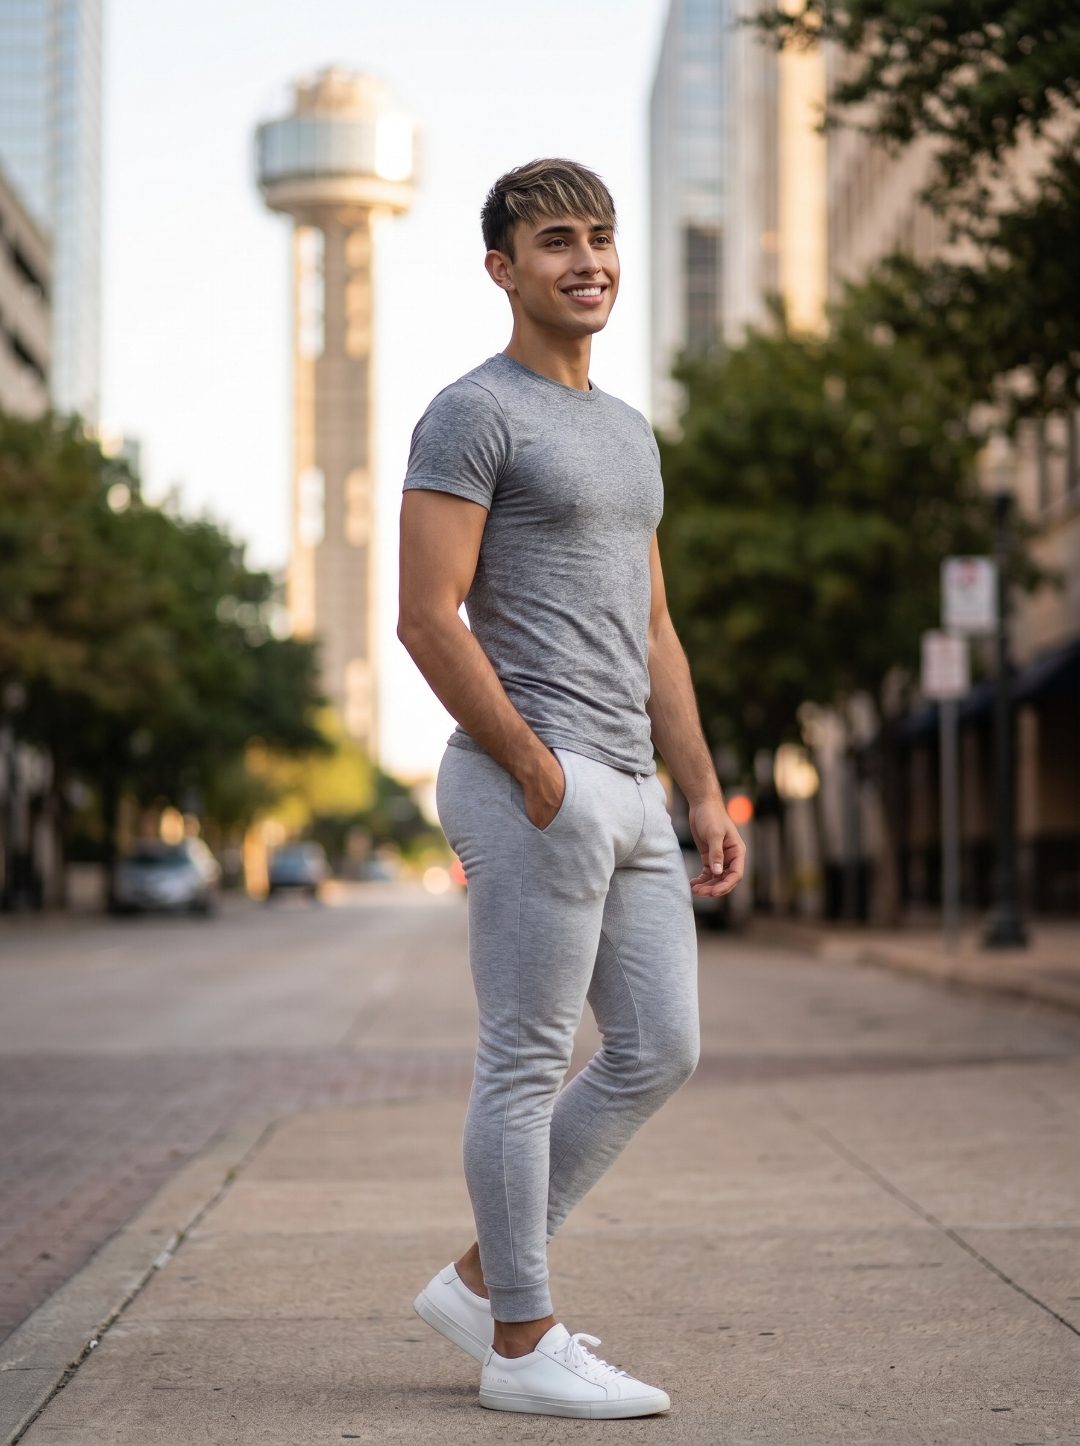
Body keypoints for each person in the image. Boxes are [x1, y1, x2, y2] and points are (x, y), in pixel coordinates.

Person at [398, 158, 746, 1419]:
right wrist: (535, 768)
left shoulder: (628, 429)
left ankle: (486, 1276)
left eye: (601, 238)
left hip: (634, 788)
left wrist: (700, 787)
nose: (588, 260)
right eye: (556, 241)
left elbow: (655, 625)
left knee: (660, 1049)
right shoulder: (471, 413)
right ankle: (521, 1341)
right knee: (529, 1057)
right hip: (528, 780)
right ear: (503, 268)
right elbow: (427, 618)